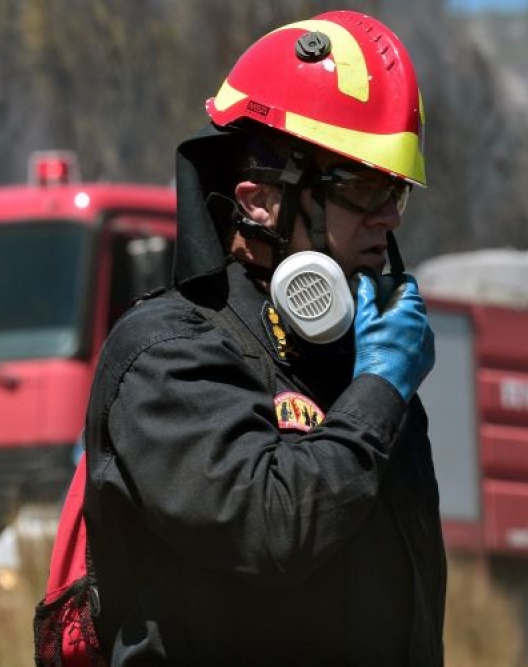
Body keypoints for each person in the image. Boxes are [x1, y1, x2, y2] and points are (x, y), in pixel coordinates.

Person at [82, 9, 445, 665]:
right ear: (258, 199)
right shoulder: (165, 355)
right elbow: (274, 526)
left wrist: (373, 387)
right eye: (363, 186)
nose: (388, 215)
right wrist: (378, 390)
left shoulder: (357, 370)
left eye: (396, 190)